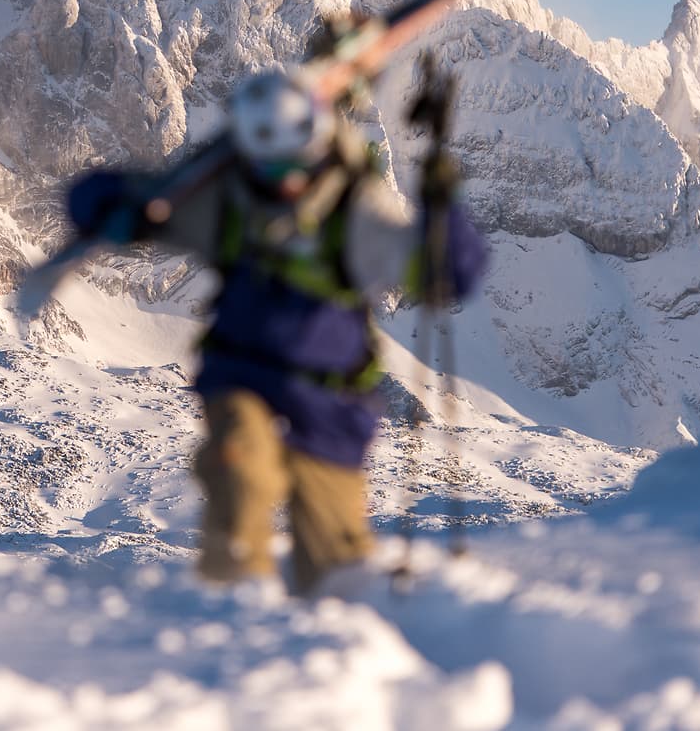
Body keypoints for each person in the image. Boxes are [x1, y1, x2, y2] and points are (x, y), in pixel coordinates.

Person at [65, 64, 488, 595]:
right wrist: (109, 205)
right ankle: (232, 607)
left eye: (297, 164)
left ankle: (331, 648)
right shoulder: (228, 202)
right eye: (272, 169)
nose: (286, 181)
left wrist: (444, 217)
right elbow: (131, 198)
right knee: (239, 469)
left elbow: (443, 276)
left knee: (336, 563)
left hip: (331, 402)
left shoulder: (353, 211)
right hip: (244, 375)